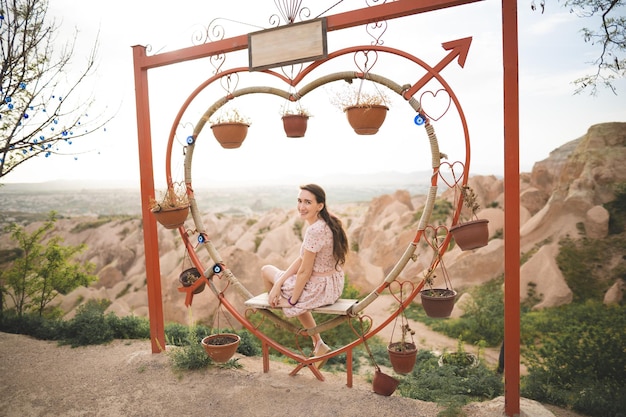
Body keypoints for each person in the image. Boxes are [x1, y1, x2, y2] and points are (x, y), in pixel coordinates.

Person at [261, 184, 349, 366]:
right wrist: (280, 282)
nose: (302, 206)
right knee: (279, 279)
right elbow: (303, 259)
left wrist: (293, 300)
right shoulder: (329, 222)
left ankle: (278, 310)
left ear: (320, 205)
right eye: (300, 201)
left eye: (308, 202)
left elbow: (304, 272)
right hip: (333, 284)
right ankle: (318, 343)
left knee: (266, 270)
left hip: (319, 288)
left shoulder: (315, 230)